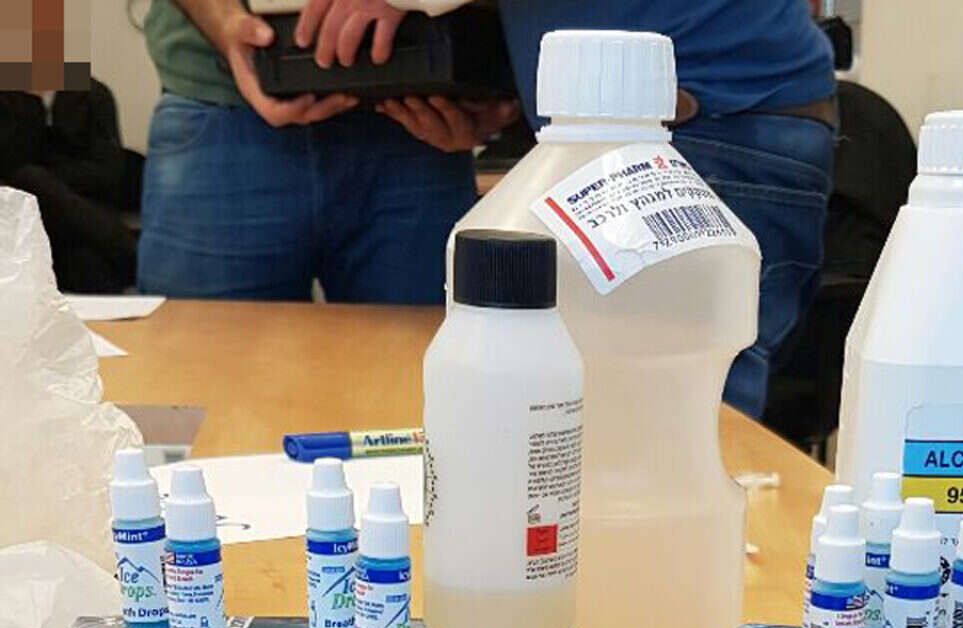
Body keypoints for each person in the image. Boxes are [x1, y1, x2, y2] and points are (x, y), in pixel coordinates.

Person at [300, 0, 835, 417]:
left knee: (673, 409)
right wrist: (513, 109)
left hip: (706, 127)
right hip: (666, 123)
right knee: (624, 411)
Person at [138, 0, 517, 303]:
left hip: (421, 118)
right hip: (221, 104)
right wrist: (222, 21)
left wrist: (506, 87)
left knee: (429, 371)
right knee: (199, 370)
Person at [0, 81, 143, 294]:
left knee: (89, 267)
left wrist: (52, 179)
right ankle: (128, 249)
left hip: (83, 216)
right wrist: (31, 104)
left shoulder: (91, 93)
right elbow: (10, 169)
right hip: (24, 221)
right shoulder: (8, 99)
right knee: (29, 179)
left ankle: (125, 251)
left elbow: (108, 172)